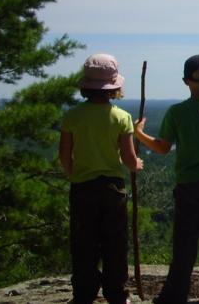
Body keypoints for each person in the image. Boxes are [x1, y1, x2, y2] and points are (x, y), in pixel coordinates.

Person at [134, 54, 199, 304]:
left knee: (185, 239)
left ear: (184, 81)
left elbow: (163, 147)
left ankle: (176, 293)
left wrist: (139, 134)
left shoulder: (177, 112)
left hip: (188, 183)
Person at [59, 53, 144, 304]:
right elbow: (128, 160)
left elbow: (64, 155)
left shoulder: (72, 115)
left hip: (82, 187)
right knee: (115, 244)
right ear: (114, 87)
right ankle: (116, 294)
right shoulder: (121, 117)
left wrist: (73, 174)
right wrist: (136, 164)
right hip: (112, 189)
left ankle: (83, 294)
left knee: (84, 243)